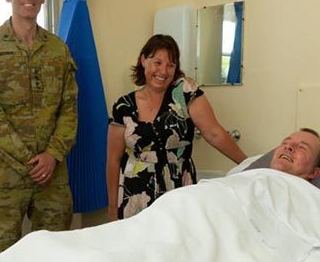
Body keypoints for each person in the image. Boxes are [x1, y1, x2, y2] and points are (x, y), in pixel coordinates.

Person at [0, 0, 78, 254]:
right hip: (6, 177)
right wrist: (30, 160)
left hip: (52, 176)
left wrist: (52, 155)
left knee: (55, 255)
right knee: (2, 260)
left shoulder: (58, 49)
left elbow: (68, 108)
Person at [106, 34, 247, 221]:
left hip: (179, 188)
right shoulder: (123, 106)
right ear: (143, 60)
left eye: (170, 65)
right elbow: (113, 160)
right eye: (157, 62)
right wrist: (112, 209)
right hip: (135, 193)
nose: (163, 71)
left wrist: (249, 165)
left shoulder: (185, 94)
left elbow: (214, 133)